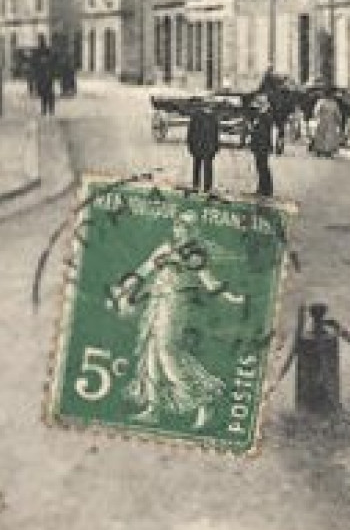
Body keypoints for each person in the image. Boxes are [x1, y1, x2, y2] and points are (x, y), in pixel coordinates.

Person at [106, 211, 244, 430]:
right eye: (179, 226)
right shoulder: (164, 248)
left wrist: (230, 296)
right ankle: (153, 408)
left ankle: (203, 398)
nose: (181, 231)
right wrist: (123, 290)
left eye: (187, 228)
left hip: (176, 305)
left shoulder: (195, 255)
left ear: (194, 231)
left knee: (166, 350)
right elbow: (143, 271)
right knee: (150, 351)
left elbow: (209, 281)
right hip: (156, 303)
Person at [185, 102, 221, 194]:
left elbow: (216, 133)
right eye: (207, 107)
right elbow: (190, 132)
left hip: (208, 146)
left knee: (208, 167)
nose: (209, 109)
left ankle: (207, 187)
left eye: (211, 107)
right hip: (198, 145)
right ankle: (196, 185)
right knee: (197, 165)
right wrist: (190, 144)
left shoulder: (214, 118)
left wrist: (216, 146)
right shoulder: (196, 116)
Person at [248, 96, 276, 197]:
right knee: (260, 167)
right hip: (260, 145)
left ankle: (266, 190)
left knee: (263, 167)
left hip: (262, 145)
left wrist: (253, 130)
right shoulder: (261, 116)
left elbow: (263, 133)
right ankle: (262, 188)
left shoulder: (266, 117)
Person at [309, 89, 344, 159]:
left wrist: (316, 117)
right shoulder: (333, 103)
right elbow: (337, 114)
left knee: (321, 135)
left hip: (322, 120)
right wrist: (339, 121)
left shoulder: (321, 102)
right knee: (329, 136)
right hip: (330, 121)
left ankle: (320, 150)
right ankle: (327, 151)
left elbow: (316, 111)